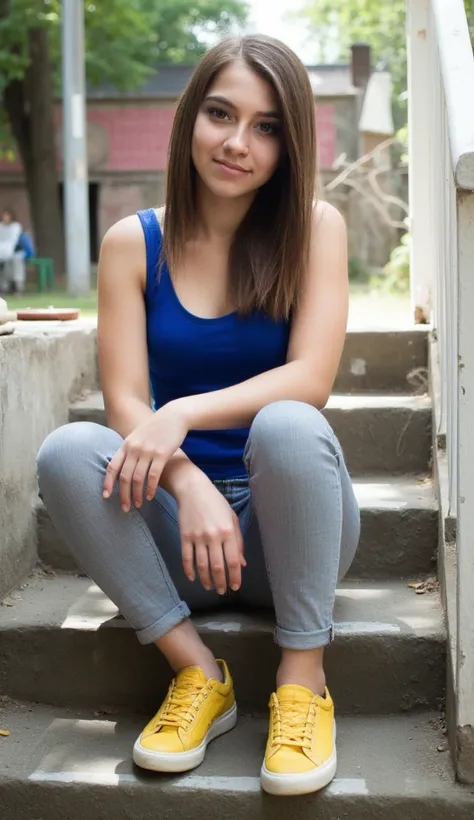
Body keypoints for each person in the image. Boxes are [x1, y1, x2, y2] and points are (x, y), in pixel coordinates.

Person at [36, 34, 360, 797]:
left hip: (291, 539)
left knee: (287, 423)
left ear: (290, 144)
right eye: (221, 114)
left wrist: (180, 413)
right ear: (190, 119)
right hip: (177, 540)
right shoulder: (131, 244)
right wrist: (187, 483)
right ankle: (197, 674)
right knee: (66, 451)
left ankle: (304, 683)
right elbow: (124, 405)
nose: (238, 143)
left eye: (267, 126)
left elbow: (310, 379)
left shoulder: (315, 228)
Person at [0, 208, 26, 293]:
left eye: (7, 216)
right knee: (4, 265)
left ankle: (19, 287)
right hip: (3, 251)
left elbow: (13, 241)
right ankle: (4, 287)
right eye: (4, 216)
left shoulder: (16, 227)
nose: (5, 218)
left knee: (16, 261)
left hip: (16, 251)